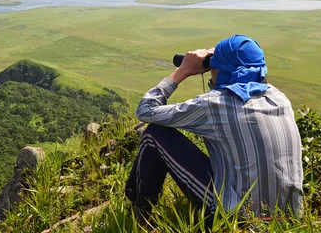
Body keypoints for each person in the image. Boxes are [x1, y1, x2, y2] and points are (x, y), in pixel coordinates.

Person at [125, 34, 303, 221]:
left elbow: (146, 110)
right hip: (290, 218)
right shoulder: (279, 98)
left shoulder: (216, 104)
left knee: (154, 134)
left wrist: (184, 70)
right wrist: (223, 58)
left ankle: (139, 215)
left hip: (237, 220)